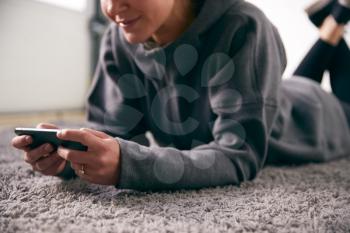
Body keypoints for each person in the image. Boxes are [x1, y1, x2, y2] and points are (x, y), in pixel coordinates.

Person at [11, 0, 350, 191]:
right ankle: (335, 20)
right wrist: (74, 154)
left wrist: (133, 164)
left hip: (318, 119)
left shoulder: (243, 25)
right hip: (273, 93)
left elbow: (238, 155)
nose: (113, 7)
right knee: (293, 80)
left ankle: (336, 19)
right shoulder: (119, 40)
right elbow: (111, 135)